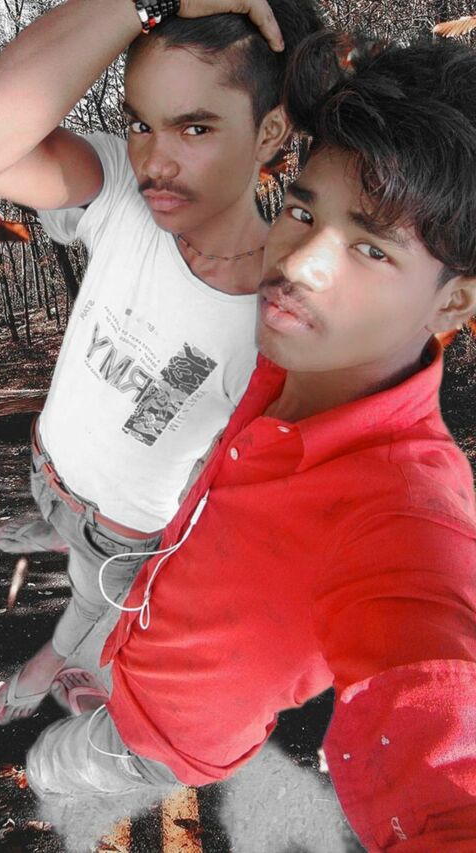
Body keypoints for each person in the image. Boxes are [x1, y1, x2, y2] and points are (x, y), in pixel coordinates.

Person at [24, 31, 476, 850]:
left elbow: (444, 758)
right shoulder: (292, 354)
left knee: (53, 767)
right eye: (302, 211)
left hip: (166, 736)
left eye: (369, 247)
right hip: (134, 639)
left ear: (454, 302)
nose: (298, 263)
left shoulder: (406, 514)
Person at [0, 0, 322, 724]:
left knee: (97, 604)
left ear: (270, 132)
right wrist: (138, 2)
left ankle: (53, 663)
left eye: (196, 127)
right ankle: (55, 529)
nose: (156, 160)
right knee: (62, 513)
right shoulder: (120, 189)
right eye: (142, 123)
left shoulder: (283, 309)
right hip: (49, 463)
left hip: (125, 530)